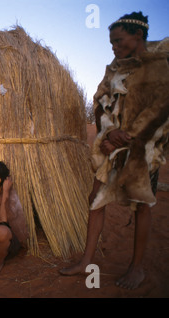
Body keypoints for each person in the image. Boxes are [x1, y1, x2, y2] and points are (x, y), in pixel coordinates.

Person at [60, 12, 169, 290]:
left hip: (142, 150)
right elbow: (100, 100)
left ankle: (137, 268)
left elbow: (158, 110)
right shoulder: (114, 69)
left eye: (119, 41)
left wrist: (127, 137)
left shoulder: (159, 68)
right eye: (111, 43)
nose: (114, 47)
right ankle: (86, 262)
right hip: (110, 146)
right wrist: (108, 134)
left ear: (137, 36)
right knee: (95, 198)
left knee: (142, 204)